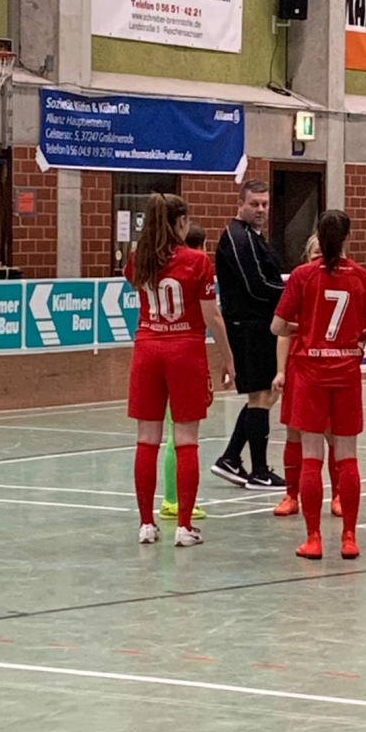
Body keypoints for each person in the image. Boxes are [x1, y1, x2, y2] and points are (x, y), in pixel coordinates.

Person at [272, 210, 366, 561]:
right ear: (347, 239)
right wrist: (363, 336)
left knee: (311, 456)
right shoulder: (363, 278)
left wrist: (304, 329)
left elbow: (277, 326)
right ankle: (349, 538)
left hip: (310, 373)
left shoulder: (302, 275)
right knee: (347, 456)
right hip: (346, 374)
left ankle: (313, 539)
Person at [126, 194, 235, 547]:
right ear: (182, 222)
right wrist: (228, 358)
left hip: (147, 348)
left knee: (147, 438)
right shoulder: (196, 260)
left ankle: (146, 523)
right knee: (186, 438)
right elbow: (211, 315)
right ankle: (184, 526)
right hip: (184, 350)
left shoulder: (138, 258)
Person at [212, 180, 286, 492]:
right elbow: (255, 286)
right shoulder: (238, 238)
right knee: (261, 395)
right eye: (254, 204)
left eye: (265, 204)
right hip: (248, 327)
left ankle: (230, 458)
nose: (260, 210)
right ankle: (259, 471)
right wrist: (293, 295)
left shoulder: (254, 237)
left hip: (259, 326)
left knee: (265, 394)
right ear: (241, 203)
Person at [274, 233, 342, 519]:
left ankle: (338, 493)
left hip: (332, 366)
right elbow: (283, 331)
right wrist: (280, 371)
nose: (318, 257)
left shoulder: (343, 281)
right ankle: (292, 494)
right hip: (301, 365)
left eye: (322, 251)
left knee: (333, 432)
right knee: (294, 430)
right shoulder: (300, 281)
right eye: (314, 252)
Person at [159, 223, 209, 523]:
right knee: (179, 436)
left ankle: (172, 499)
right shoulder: (195, 270)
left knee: (170, 434)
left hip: (160, 352)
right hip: (183, 357)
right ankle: (172, 500)